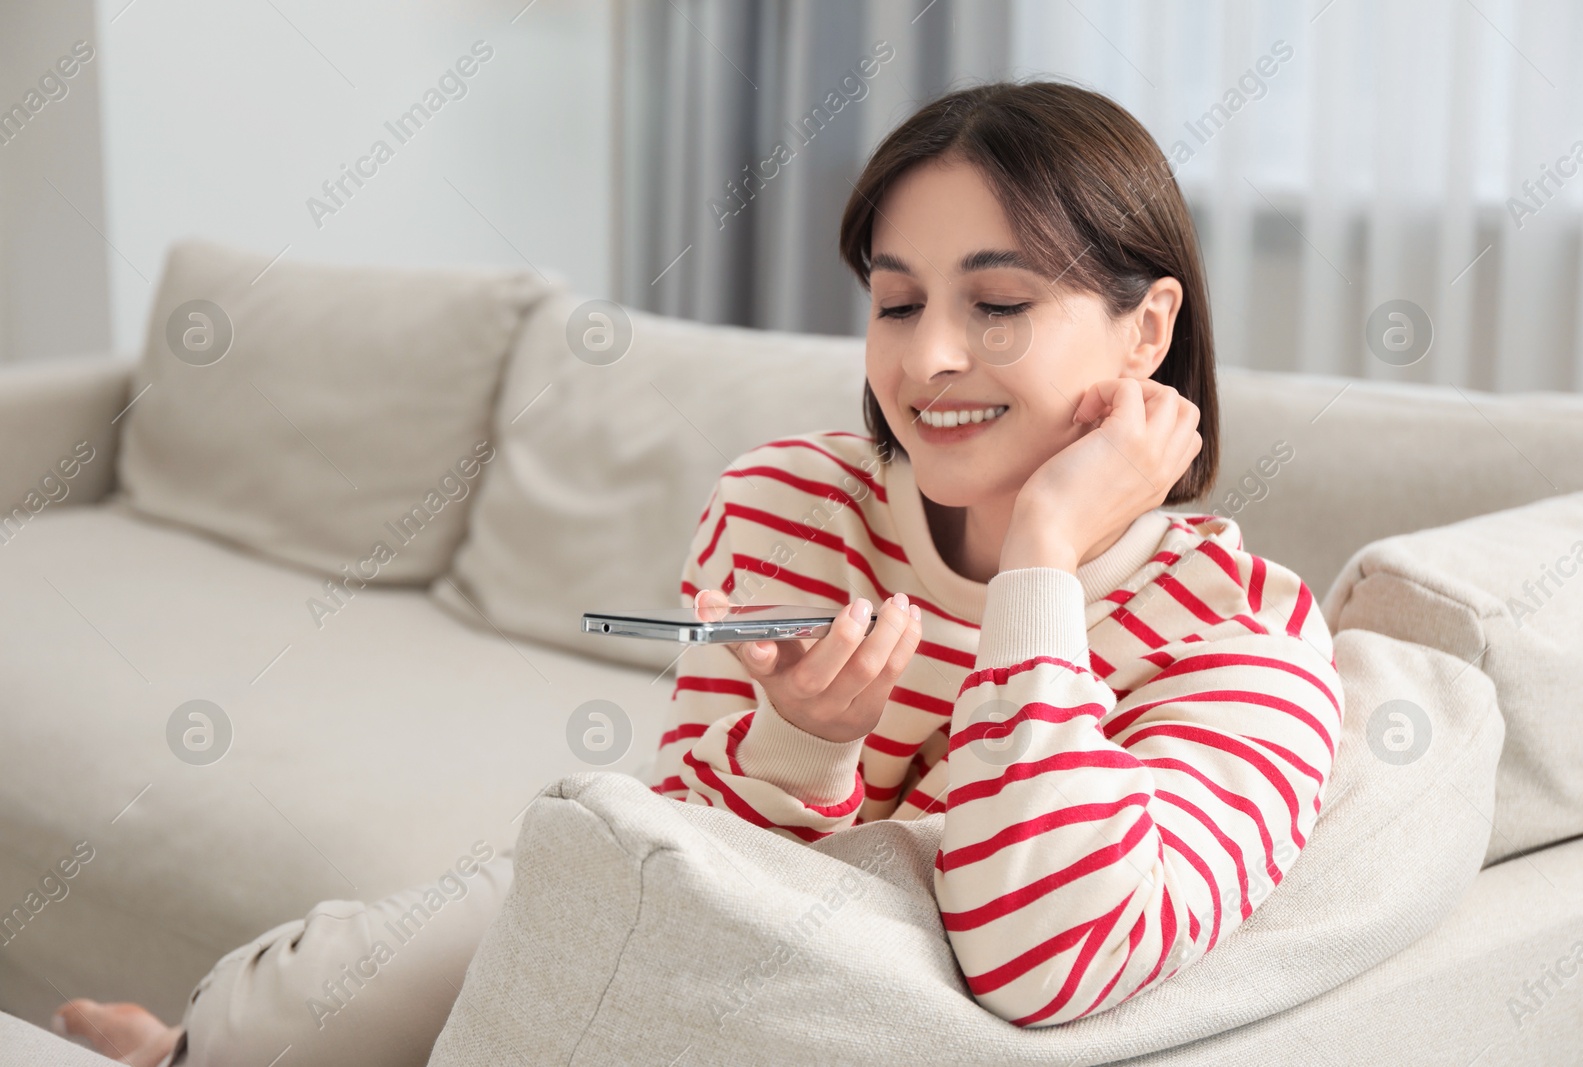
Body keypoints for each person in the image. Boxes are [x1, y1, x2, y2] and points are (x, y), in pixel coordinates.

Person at [54, 78, 1343, 1064]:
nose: (932, 358)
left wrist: (1043, 569)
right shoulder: (794, 500)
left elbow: (1050, 959)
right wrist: (800, 745)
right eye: (897, 303)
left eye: (997, 303)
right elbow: (677, 883)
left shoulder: (1245, 638)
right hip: (676, 951)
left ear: (1150, 328)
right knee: (335, 999)